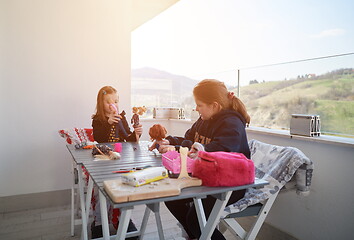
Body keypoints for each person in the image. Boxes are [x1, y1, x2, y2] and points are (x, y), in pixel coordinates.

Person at [159, 79, 251, 240]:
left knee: (196, 221)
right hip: (206, 179)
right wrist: (171, 141)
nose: (196, 108)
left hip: (230, 184)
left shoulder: (232, 123)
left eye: (199, 105)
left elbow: (220, 149)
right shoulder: (203, 120)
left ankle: (199, 233)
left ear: (214, 105)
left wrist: (189, 150)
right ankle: (198, 236)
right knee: (171, 199)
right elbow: (189, 139)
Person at [91, 86, 142, 239]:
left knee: (125, 187)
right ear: (101, 104)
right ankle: (99, 222)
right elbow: (99, 138)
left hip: (121, 159)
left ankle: (123, 219)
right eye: (108, 102)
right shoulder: (98, 120)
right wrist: (107, 123)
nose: (112, 104)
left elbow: (128, 138)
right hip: (104, 159)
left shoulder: (122, 118)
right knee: (103, 189)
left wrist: (136, 134)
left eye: (115, 101)